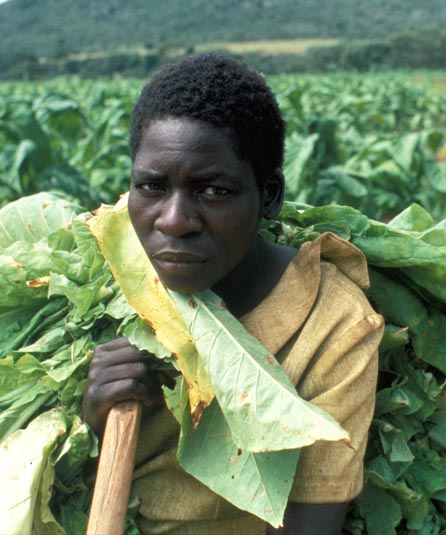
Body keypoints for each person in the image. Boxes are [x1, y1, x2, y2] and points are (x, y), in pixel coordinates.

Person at [81, 53, 384, 535]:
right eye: (152, 187)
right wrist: (91, 425)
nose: (174, 220)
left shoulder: (334, 324)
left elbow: (312, 524)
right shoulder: (96, 285)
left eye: (214, 191)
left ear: (269, 195)